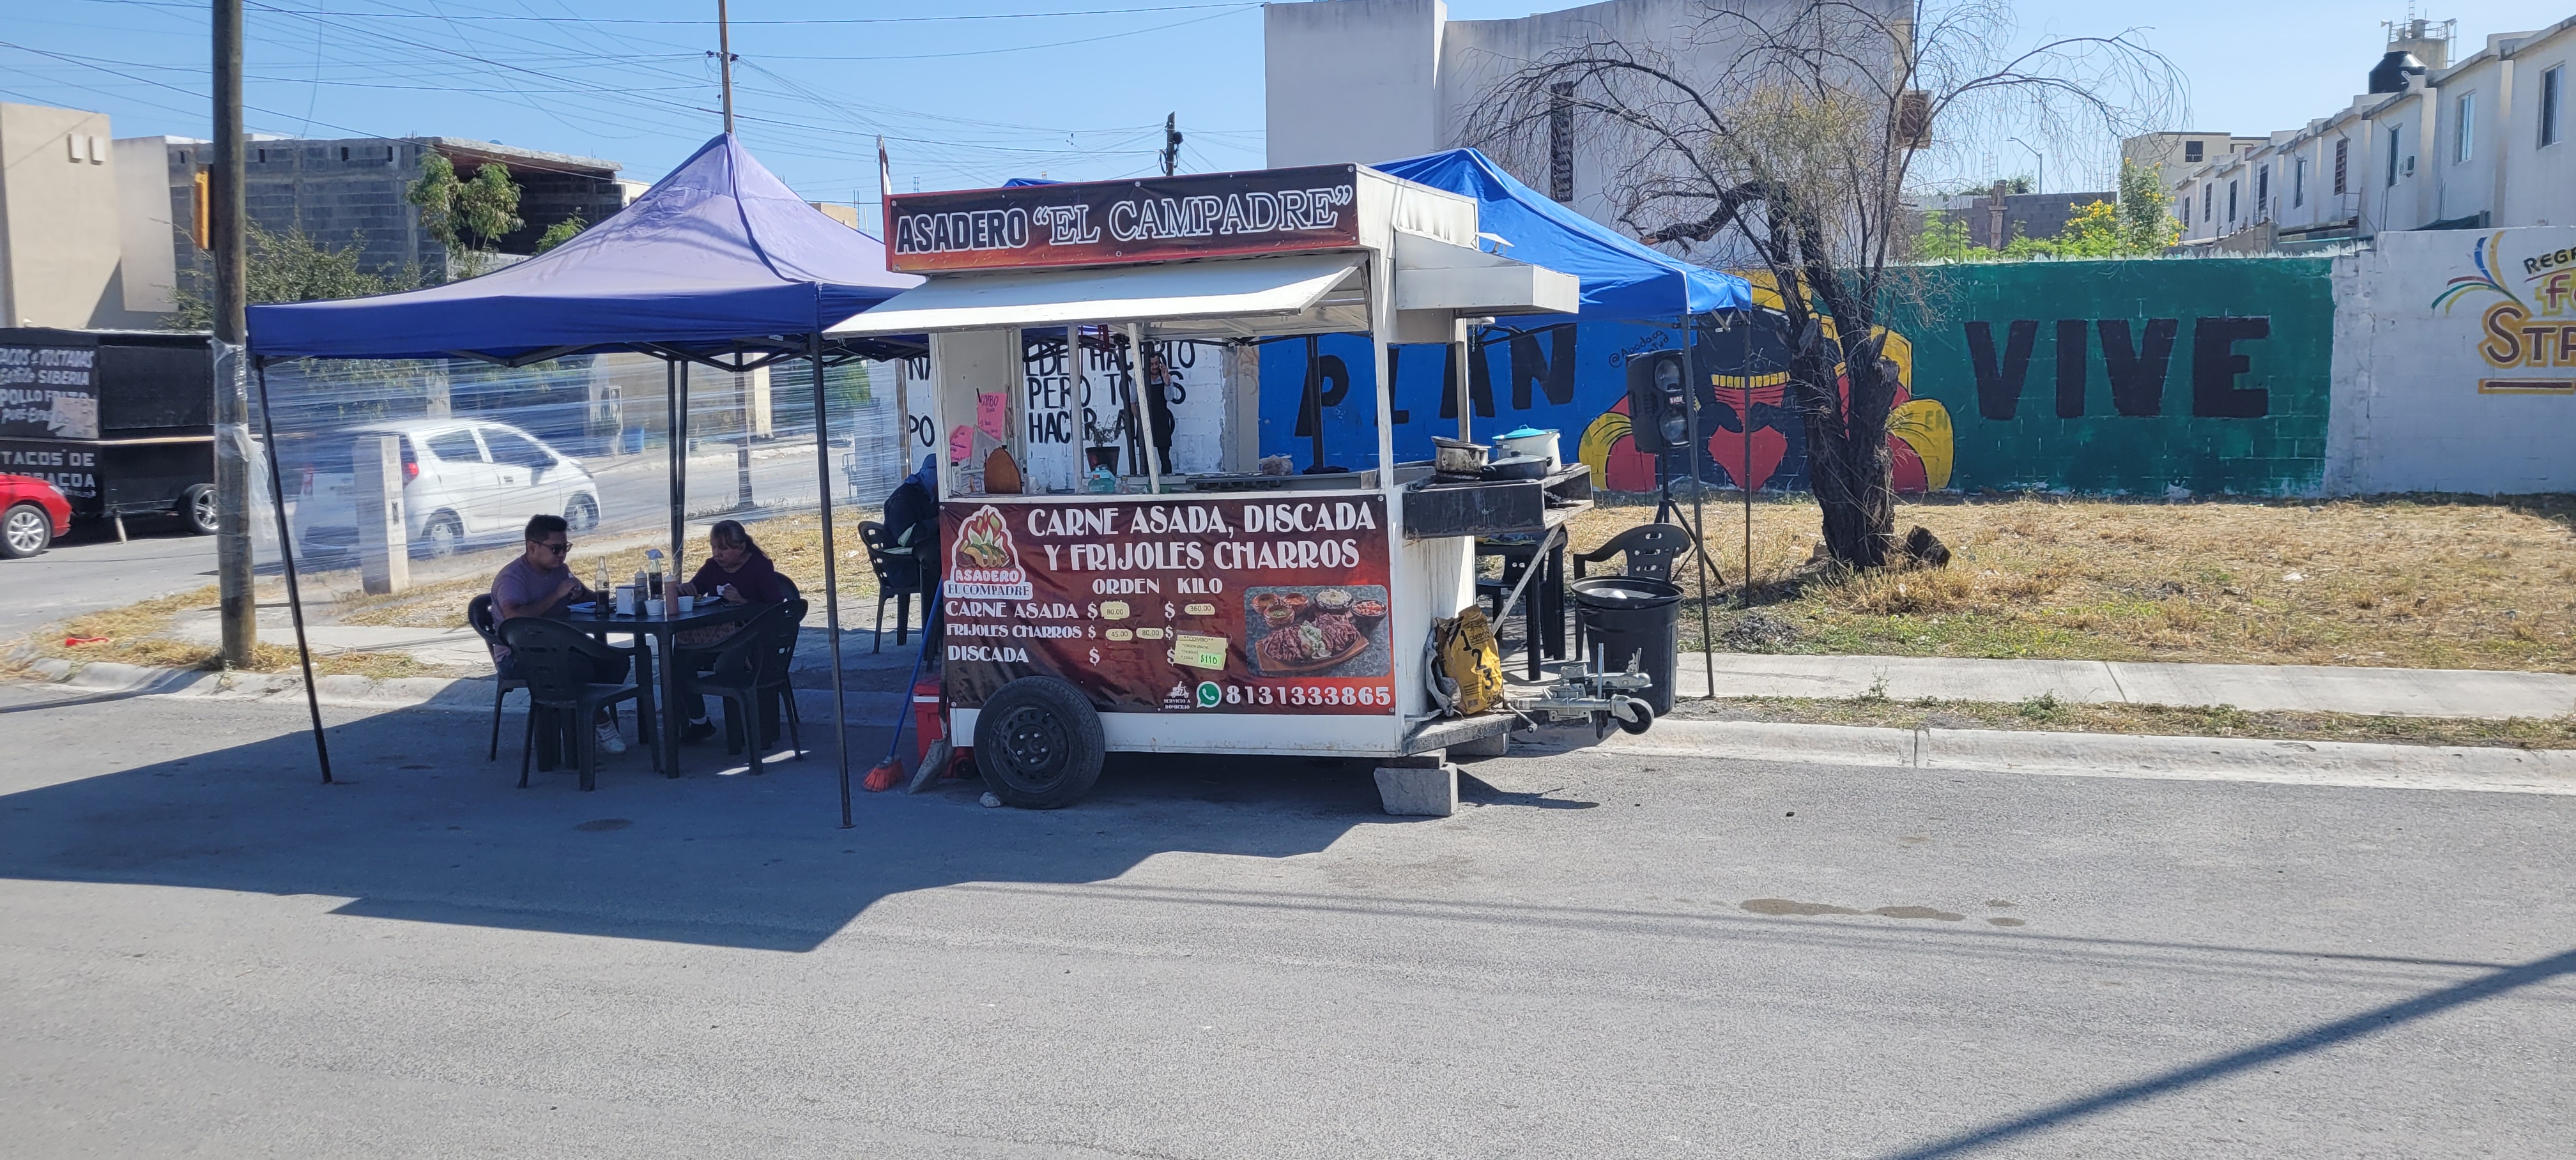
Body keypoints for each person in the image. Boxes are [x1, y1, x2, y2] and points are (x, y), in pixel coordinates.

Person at [489, 513, 628, 755]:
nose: (562, 555)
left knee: (615, 662)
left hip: (560, 646)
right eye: (556, 549)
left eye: (566, 548)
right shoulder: (513, 577)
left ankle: (580, 715)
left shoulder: (560, 570)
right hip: (518, 655)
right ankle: (597, 720)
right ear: (532, 547)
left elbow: (594, 600)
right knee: (578, 668)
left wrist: (580, 594)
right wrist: (555, 596)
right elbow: (513, 619)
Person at [673, 519, 786, 742]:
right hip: (717, 635)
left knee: (728, 665)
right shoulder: (712, 567)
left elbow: (776, 607)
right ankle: (699, 721)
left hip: (754, 637)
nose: (718, 554)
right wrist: (684, 590)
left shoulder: (759, 566)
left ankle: (744, 729)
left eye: (724, 549)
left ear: (741, 547)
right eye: (714, 547)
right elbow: (696, 588)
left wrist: (744, 602)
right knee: (678, 661)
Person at [1142, 351, 1178, 477]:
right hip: (1146, 422)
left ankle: (1167, 484)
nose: (1154, 367)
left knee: (1165, 458)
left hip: (1162, 421)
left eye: (1157, 363)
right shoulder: (1140, 378)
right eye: (1151, 364)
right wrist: (1141, 421)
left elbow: (1169, 398)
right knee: (1145, 459)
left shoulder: (1165, 378)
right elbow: (1133, 402)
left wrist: (1167, 380)